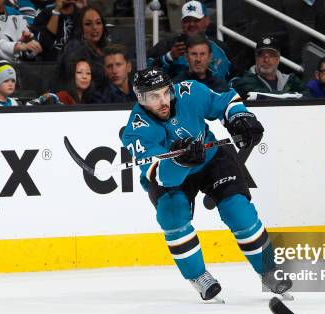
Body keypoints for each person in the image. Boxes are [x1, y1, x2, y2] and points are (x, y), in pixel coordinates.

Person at [120, 68, 292, 301]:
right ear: (141, 99)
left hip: (211, 160)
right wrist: (181, 160)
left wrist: (240, 117)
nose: (163, 102)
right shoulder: (136, 131)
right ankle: (198, 276)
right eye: (153, 97)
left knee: (239, 211)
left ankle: (268, 270)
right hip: (172, 175)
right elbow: (163, 177)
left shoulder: (189, 91)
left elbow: (226, 101)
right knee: (173, 216)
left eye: (165, 93)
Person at [147, 0, 233, 81]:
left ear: (207, 21)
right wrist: (169, 57)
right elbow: (145, 68)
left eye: (196, 20)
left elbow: (234, 76)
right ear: (182, 23)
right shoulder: (168, 44)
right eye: (187, 21)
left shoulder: (221, 48)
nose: (191, 24)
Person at [232, 36, 308, 100]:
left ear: (278, 59)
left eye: (271, 55)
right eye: (261, 55)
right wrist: (294, 95)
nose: (266, 60)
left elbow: (308, 95)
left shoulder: (291, 80)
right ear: (256, 58)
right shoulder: (245, 80)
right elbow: (260, 95)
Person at [54, 6, 108, 90]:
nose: (94, 27)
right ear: (80, 28)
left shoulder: (105, 48)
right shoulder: (74, 48)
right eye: (88, 24)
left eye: (98, 23)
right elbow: (76, 76)